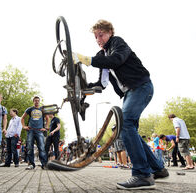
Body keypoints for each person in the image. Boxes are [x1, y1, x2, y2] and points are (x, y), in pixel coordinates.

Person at [72, 19, 168, 190]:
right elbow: (102, 83)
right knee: (131, 131)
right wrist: (82, 88)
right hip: (129, 93)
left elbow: (116, 60)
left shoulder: (118, 43)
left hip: (141, 86)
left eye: (101, 35)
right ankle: (157, 169)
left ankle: (142, 175)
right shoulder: (102, 56)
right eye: (96, 37)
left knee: (125, 125)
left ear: (110, 32)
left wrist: (85, 59)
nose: (98, 39)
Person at [21, 96, 49, 170]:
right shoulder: (30, 109)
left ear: (39, 102)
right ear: (33, 101)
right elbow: (22, 118)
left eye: (38, 100)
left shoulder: (42, 110)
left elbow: (47, 118)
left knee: (42, 148)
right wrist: (24, 126)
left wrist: (45, 128)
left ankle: (44, 164)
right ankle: (31, 164)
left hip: (39, 131)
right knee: (30, 148)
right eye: (35, 100)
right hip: (31, 130)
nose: (37, 102)